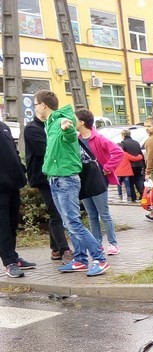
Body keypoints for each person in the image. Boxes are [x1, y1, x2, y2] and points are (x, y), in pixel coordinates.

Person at [34, 90, 108, 276]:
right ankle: (81, 260)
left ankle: (100, 259)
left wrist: (68, 130)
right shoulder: (49, 124)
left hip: (65, 179)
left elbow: (69, 136)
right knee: (68, 223)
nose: (35, 108)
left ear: (43, 105)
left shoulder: (60, 121)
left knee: (73, 223)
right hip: (56, 179)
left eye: (35, 104)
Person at [24, 115, 72, 263]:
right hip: (42, 177)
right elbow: (46, 151)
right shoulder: (32, 129)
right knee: (55, 212)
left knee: (56, 212)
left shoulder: (50, 126)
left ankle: (56, 249)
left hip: (55, 174)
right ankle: (64, 250)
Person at [75, 109, 123, 255]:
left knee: (104, 213)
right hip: (83, 180)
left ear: (82, 122)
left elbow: (118, 152)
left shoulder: (99, 138)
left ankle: (113, 244)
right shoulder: (75, 139)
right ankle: (96, 243)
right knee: (91, 214)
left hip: (98, 180)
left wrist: (108, 168)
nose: (72, 122)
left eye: (74, 119)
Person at [0, 120, 34, 278]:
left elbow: (13, 151)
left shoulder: (4, 127)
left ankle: (13, 257)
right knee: (3, 226)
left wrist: (21, 170)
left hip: (13, 184)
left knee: (12, 224)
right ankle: (9, 263)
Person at [121, 129, 145, 201]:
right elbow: (140, 153)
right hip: (139, 164)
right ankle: (142, 194)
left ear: (123, 135)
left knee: (131, 182)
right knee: (139, 180)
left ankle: (133, 197)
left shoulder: (123, 143)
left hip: (130, 165)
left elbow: (123, 155)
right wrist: (144, 165)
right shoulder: (136, 143)